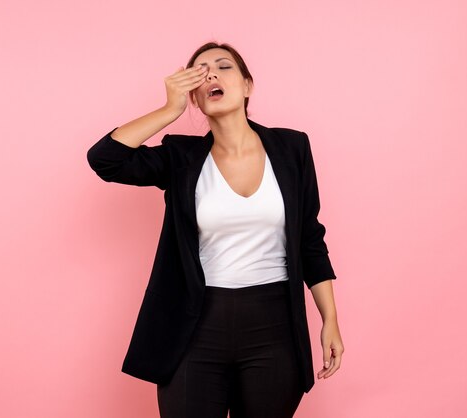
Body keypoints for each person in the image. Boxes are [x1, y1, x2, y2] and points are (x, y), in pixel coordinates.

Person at [86, 41, 344, 418]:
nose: (211, 74)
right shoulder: (180, 157)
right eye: (199, 71)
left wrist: (330, 320)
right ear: (195, 96)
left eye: (223, 66)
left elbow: (309, 239)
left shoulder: (292, 148)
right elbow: (105, 159)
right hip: (194, 327)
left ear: (247, 85)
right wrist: (169, 109)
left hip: (274, 329)